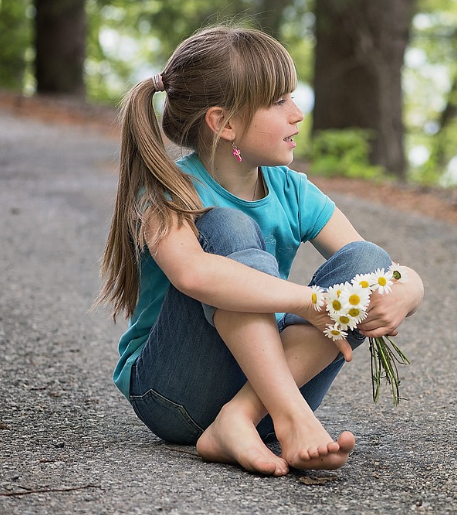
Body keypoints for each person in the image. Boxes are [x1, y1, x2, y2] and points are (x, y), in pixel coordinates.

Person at [96, 26, 424, 476]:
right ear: (224, 123)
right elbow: (193, 275)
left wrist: (409, 289)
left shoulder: (292, 191)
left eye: (292, 97)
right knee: (228, 226)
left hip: (268, 392)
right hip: (175, 394)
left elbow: (372, 264)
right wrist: (310, 301)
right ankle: (288, 416)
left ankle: (241, 418)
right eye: (278, 102)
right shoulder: (168, 191)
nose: (297, 114)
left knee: (367, 261)